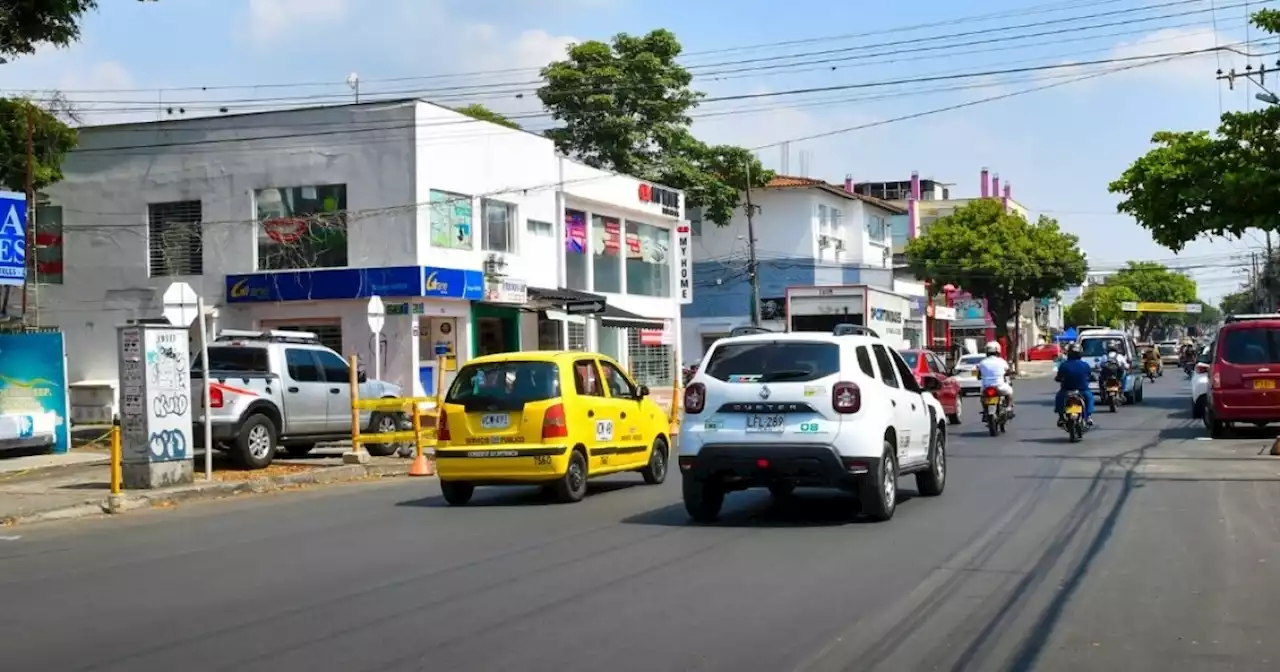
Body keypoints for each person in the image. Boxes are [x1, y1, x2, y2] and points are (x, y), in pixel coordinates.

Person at [1056, 343, 1095, 426]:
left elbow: (1058, 377)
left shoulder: (1064, 365)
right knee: (1090, 398)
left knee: (1059, 398)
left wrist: (1058, 379)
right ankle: (1088, 417)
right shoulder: (1085, 365)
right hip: (1082, 390)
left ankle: (1061, 418)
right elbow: (1090, 376)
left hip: (1067, 390)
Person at [977, 340, 1015, 414]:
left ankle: (985, 411)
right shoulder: (1002, 361)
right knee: (1010, 391)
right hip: (1000, 386)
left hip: (986, 387)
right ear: (998, 351)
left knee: (982, 397)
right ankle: (1009, 407)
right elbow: (1008, 371)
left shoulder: (982, 362)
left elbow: (979, 376)